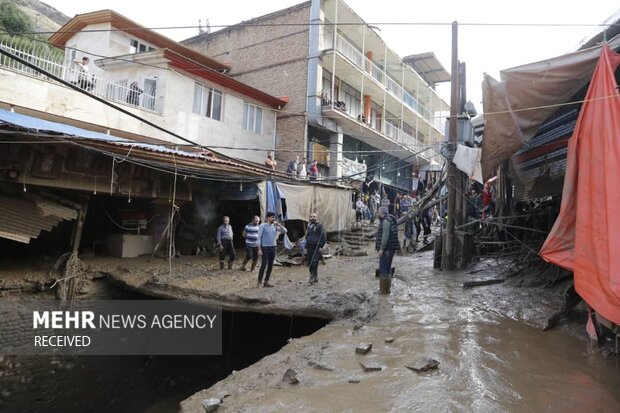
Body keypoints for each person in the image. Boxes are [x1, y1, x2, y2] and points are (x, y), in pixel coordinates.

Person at [257, 211, 287, 287]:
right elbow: (259, 238)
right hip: (265, 248)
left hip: (273, 247)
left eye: (274, 217)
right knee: (264, 265)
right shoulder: (262, 225)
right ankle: (259, 282)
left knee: (270, 265)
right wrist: (259, 249)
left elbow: (285, 231)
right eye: (272, 217)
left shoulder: (274, 226)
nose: (273, 218)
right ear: (268, 218)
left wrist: (279, 224)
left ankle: (266, 281)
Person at [375, 206, 400, 294]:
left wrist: (381, 248)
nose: (377, 213)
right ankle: (387, 290)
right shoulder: (390, 220)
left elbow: (385, 236)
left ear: (382, 213)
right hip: (391, 248)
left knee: (383, 268)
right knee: (388, 268)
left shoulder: (385, 221)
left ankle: (382, 291)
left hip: (387, 249)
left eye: (378, 212)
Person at [305, 211, 326, 284]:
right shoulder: (309, 225)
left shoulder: (319, 225)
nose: (312, 218)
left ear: (316, 217)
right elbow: (307, 236)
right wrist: (305, 245)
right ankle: (315, 276)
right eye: (311, 217)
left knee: (314, 262)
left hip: (316, 247)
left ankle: (312, 276)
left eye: (314, 217)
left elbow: (323, 236)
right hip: (309, 247)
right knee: (309, 262)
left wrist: (321, 246)